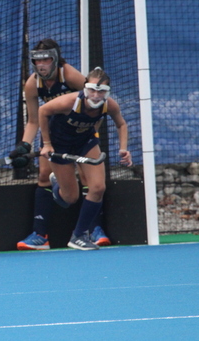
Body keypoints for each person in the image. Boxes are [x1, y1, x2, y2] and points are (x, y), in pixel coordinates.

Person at [10, 39, 111, 251]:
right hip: (54, 134)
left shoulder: (70, 76)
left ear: (55, 58)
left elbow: (94, 103)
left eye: (46, 59)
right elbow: (33, 121)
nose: (41, 65)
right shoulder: (32, 84)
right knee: (44, 175)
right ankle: (40, 235)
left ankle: (93, 229)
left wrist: (90, 133)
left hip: (81, 133)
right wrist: (25, 146)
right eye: (37, 61)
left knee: (88, 178)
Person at [38, 67, 133, 250]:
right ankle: (57, 184)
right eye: (92, 90)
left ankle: (79, 235)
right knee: (70, 198)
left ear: (108, 92)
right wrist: (47, 144)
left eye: (101, 91)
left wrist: (123, 148)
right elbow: (43, 111)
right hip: (60, 145)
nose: (96, 96)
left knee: (98, 188)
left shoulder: (110, 105)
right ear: (85, 88)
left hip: (85, 142)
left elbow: (121, 124)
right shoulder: (69, 102)